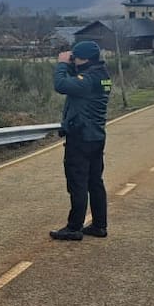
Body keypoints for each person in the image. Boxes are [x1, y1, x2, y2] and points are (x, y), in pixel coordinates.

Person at [50, 41, 112, 241]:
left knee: (78, 183)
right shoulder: (102, 76)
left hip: (81, 138)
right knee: (95, 182)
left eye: (75, 57)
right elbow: (76, 80)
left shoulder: (87, 80)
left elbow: (61, 85)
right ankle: (99, 225)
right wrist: (71, 65)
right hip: (96, 136)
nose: (73, 60)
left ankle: (74, 227)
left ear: (84, 59)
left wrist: (61, 64)